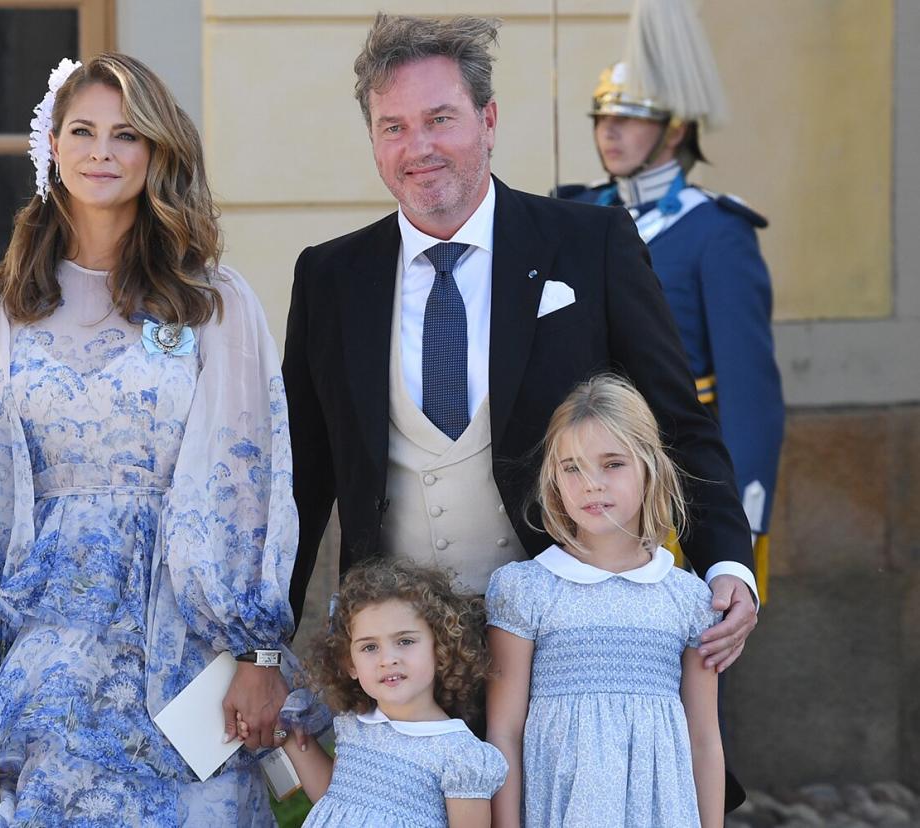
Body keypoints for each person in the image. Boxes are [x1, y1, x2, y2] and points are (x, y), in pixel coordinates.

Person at [282, 13, 758, 671]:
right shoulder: (330, 277)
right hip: (397, 660)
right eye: (394, 127)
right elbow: (302, 478)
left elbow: (679, 423)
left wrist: (728, 559)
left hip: (567, 639)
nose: (418, 146)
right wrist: (261, 645)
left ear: (489, 121)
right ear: (373, 139)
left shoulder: (592, 245)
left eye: (440, 118)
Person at [0, 54, 298, 825]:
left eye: (126, 133)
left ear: (157, 153)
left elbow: (252, 482)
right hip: (53, 644)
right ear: (52, 148)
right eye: (83, 131)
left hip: (187, 638)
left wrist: (257, 654)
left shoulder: (213, 299)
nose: (102, 152)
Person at [556, 0, 784, 600]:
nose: (609, 131)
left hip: (675, 476)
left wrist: (742, 516)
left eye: (629, 119)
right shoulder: (575, 214)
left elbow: (748, 390)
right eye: (602, 118)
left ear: (675, 129)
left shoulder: (716, 230)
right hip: (579, 484)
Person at [485, 374, 723, 827]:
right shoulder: (526, 589)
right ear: (553, 479)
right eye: (572, 467)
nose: (591, 484)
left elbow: (704, 739)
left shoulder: (689, 599)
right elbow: (504, 731)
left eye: (612, 463)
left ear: (649, 467)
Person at [274, 559, 506, 827]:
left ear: (441, 649)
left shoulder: (459, 754)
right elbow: (334, 800)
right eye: (369, 647)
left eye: (405, 641)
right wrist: (290, 738)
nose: (388, 659)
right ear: (350, 664)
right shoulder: (355, 727)